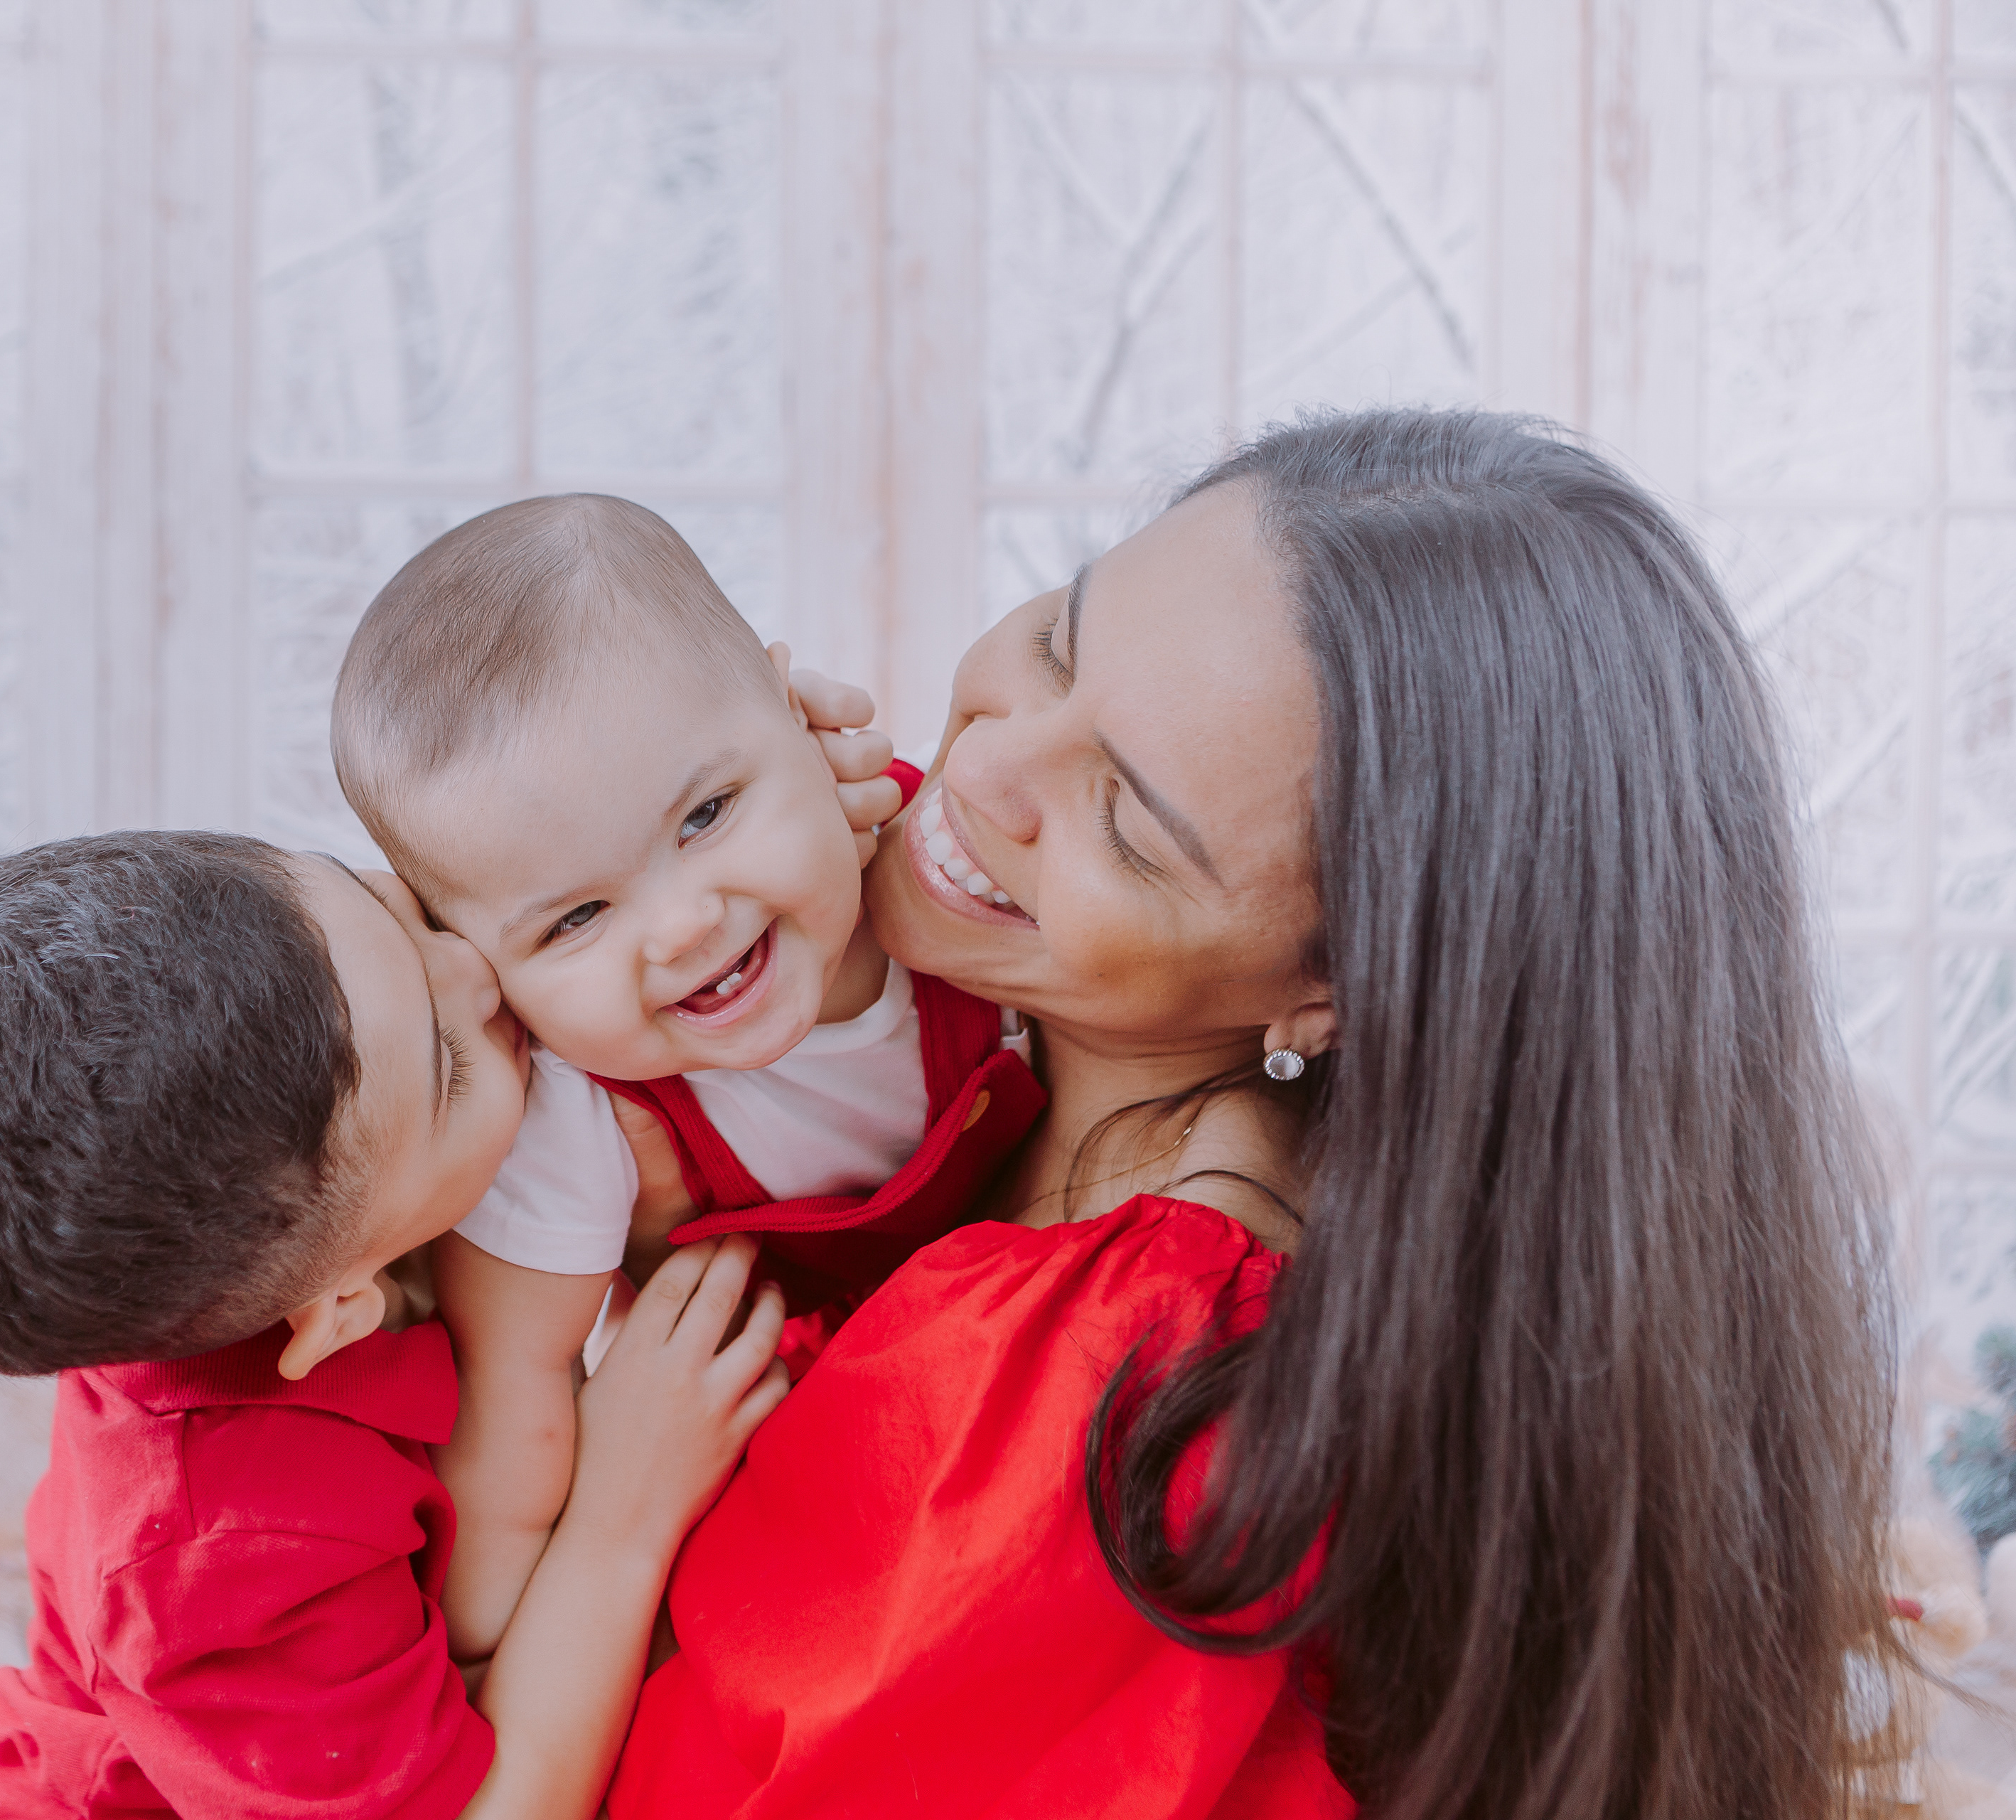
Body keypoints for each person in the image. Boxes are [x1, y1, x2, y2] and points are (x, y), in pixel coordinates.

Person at [611, 410, 1901, 1820]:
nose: (984, 769)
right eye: (1057, 643)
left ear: (1335, 993)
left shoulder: (1112, 1379)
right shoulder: (1025, 1067)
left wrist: (610, 1504)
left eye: (1126, 824)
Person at [0, 831, 788, 1820]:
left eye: (388, 905)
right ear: (337, 1309)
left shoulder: (303, 1137)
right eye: (448, 1066)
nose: (473, 970)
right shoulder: (219, 1555)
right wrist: (626, 1511)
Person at [330, 495, 1041, 1660]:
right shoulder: (574, 1112)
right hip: (816, 1464)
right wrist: (492, 1627)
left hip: (1047, 1381)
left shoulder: (950, 865)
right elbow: (518, 1392)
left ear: (799, 718)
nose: (682, 927)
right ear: (483, 970)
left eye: (707, 815)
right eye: (575, 919)